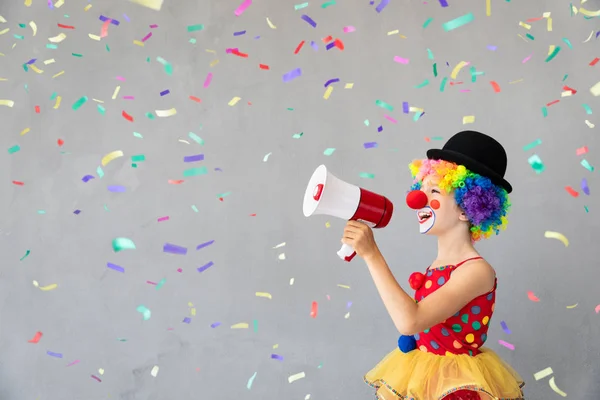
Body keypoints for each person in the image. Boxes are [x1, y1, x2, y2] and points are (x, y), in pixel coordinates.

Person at [341, 131, 525, 399]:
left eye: (434, 190)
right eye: (421, 189)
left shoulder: (476, 271)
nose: (417, 199)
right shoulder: (438, 265)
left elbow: (410, 320)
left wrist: (372, 255)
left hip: (456, 387)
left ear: (467, 208)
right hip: (425, 375)